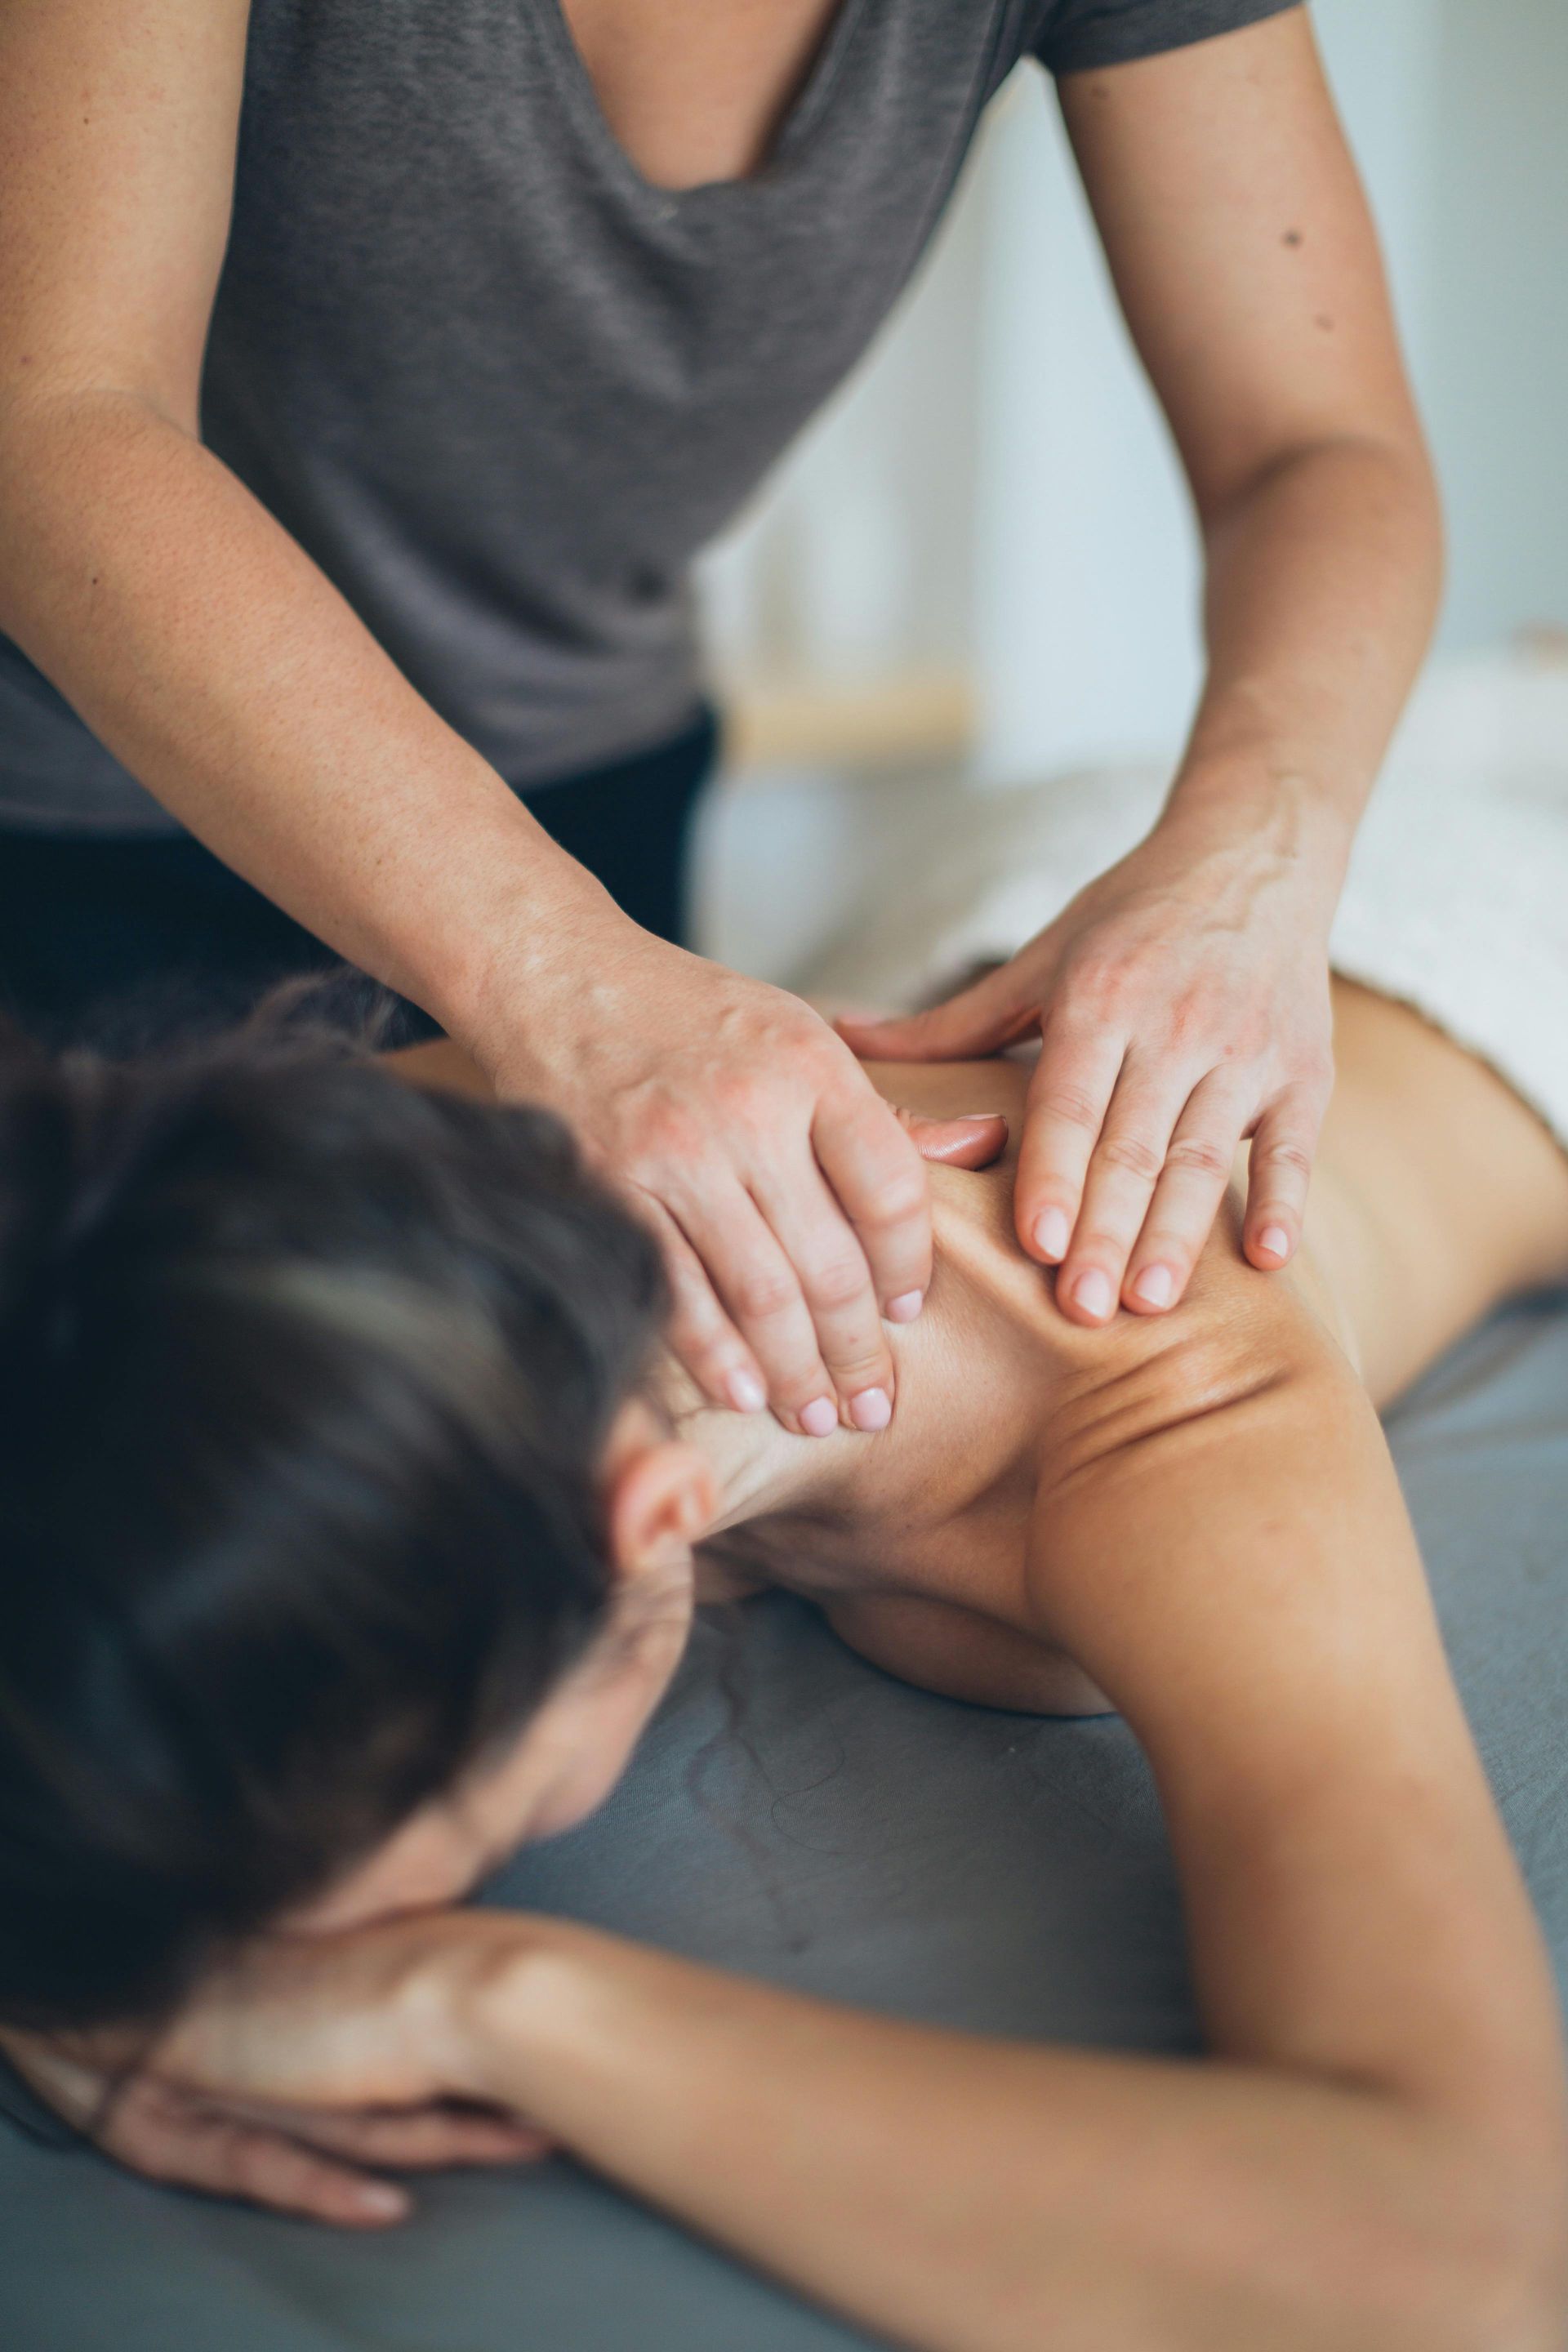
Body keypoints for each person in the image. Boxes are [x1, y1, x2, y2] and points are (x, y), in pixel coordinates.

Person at [2, 951, 1566, 2347]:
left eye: (427, 1867)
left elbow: (1473, 2258)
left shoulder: (1173, 1418)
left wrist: (491, 2000)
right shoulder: (251, 1243)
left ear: (651, 1526)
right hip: (997, 950)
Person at [0, 0, 1442, 1440]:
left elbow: (1318, 444)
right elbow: (55, 414)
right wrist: (551, 973)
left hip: (589, 815)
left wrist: (1254, 862)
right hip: (73, 828)